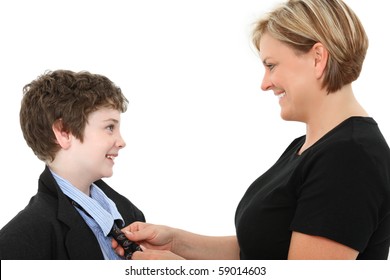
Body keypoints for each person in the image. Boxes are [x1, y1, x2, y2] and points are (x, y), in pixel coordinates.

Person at [114, 0, 390, 260]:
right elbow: (262, 250)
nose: (265, 83)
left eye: (271, 66)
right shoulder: (310, 146)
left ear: (318, 58)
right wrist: (177, 242)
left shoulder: (349, 158)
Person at [0, 70, 145, 259]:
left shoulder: (128, 212)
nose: (121, 141)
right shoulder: (19, 242)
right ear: (64, 132)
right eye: (110, 127)